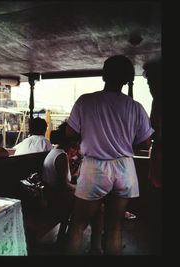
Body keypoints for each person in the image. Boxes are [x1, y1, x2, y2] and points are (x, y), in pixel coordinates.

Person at [64, 55, 154, 255]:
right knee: (115, 227)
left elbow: (70, 133)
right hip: (125, 168)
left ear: (104, 75)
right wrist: (124, 140)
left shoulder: (86, 101)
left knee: (78, 225)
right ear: (127, 80)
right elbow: (146, 142)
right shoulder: (136, 107)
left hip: (94, 167)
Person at [42, 122, 104, 254]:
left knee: (92, 202)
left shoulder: (55, 152)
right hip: (58, 200)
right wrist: (80, 188)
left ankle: (77, 238)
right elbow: (64, 185)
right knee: (96, 206)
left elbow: (65, 181)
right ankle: (94, 245)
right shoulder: (61, 156)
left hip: (53, 196)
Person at [143, 59, 162, 189]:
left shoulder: (159, 101)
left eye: (153, 82)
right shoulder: (156, 101)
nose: (150, 87)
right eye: (149, 84)